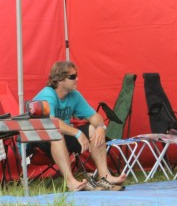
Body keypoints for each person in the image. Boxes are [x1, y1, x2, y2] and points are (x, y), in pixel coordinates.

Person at [27, 61, 126, 191]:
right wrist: (77, 133)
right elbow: (51, 122)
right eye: (72, 77)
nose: (77, 79)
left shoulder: (74, 95)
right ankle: (71, 182)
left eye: (76, 75)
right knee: (55, 133)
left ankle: (105, 176)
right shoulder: (47, 95)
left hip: (62, 136)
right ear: (59, 79)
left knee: (93, 128)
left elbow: (94, 116)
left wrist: (101, 127)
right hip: (37, 139)